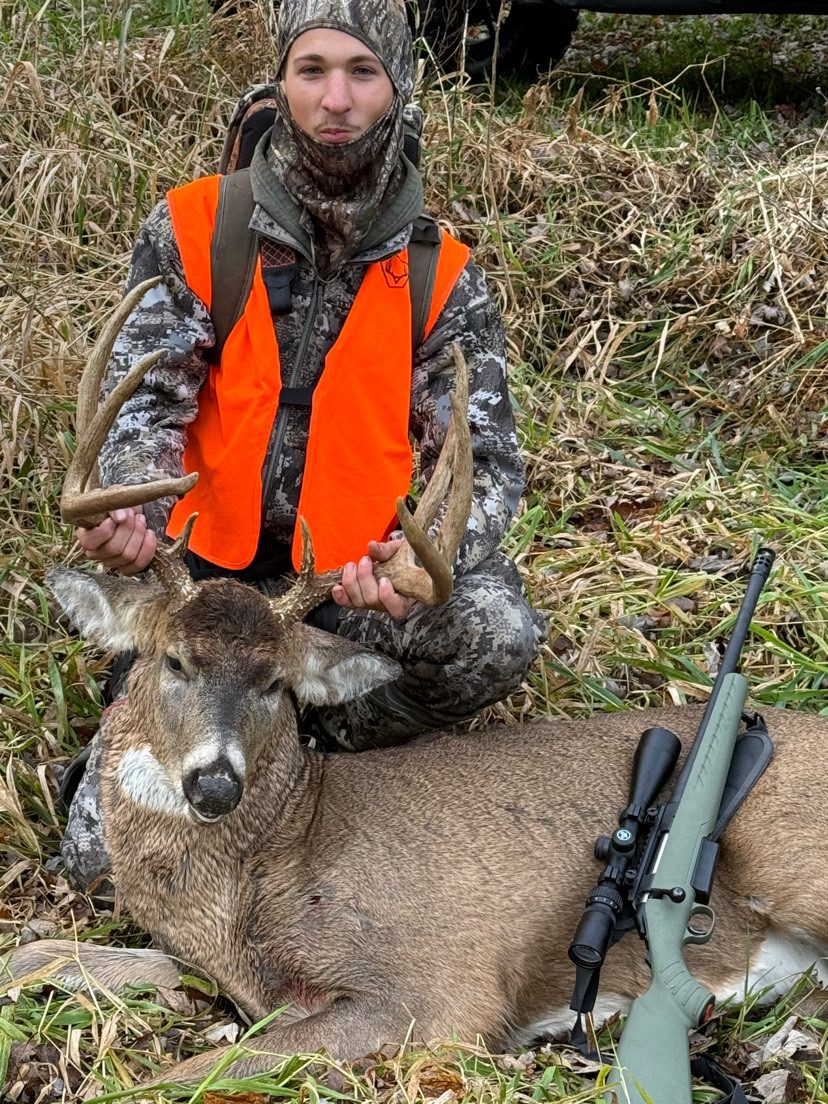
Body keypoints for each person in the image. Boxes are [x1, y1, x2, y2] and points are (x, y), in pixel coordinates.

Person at [61, 0, 547, 890]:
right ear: (280, 81)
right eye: (312, 70)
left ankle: (307, 739)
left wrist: (413, 561)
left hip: (342, 586)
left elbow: (486, 462)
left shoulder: (443, 274)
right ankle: (182, 697)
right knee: (98, 865)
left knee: (495, 632)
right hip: (199, 581)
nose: (336, 99)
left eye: (363, 72)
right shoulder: (196, 227)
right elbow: (145, 402)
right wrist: (135, 510)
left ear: (398, 85)